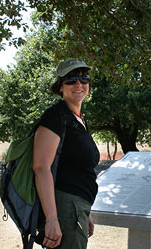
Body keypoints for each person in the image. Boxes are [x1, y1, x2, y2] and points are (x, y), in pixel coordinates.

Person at [32, 59, 100, 249]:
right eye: (71, 80)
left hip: (77, 208)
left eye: (84, 79)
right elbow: (41, 167)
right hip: (64, 206)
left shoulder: (78, 120)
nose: (79, 85)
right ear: (60, 86)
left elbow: (76, 169)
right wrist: (52, 220)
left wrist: (86, 213)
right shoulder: (56, 116)